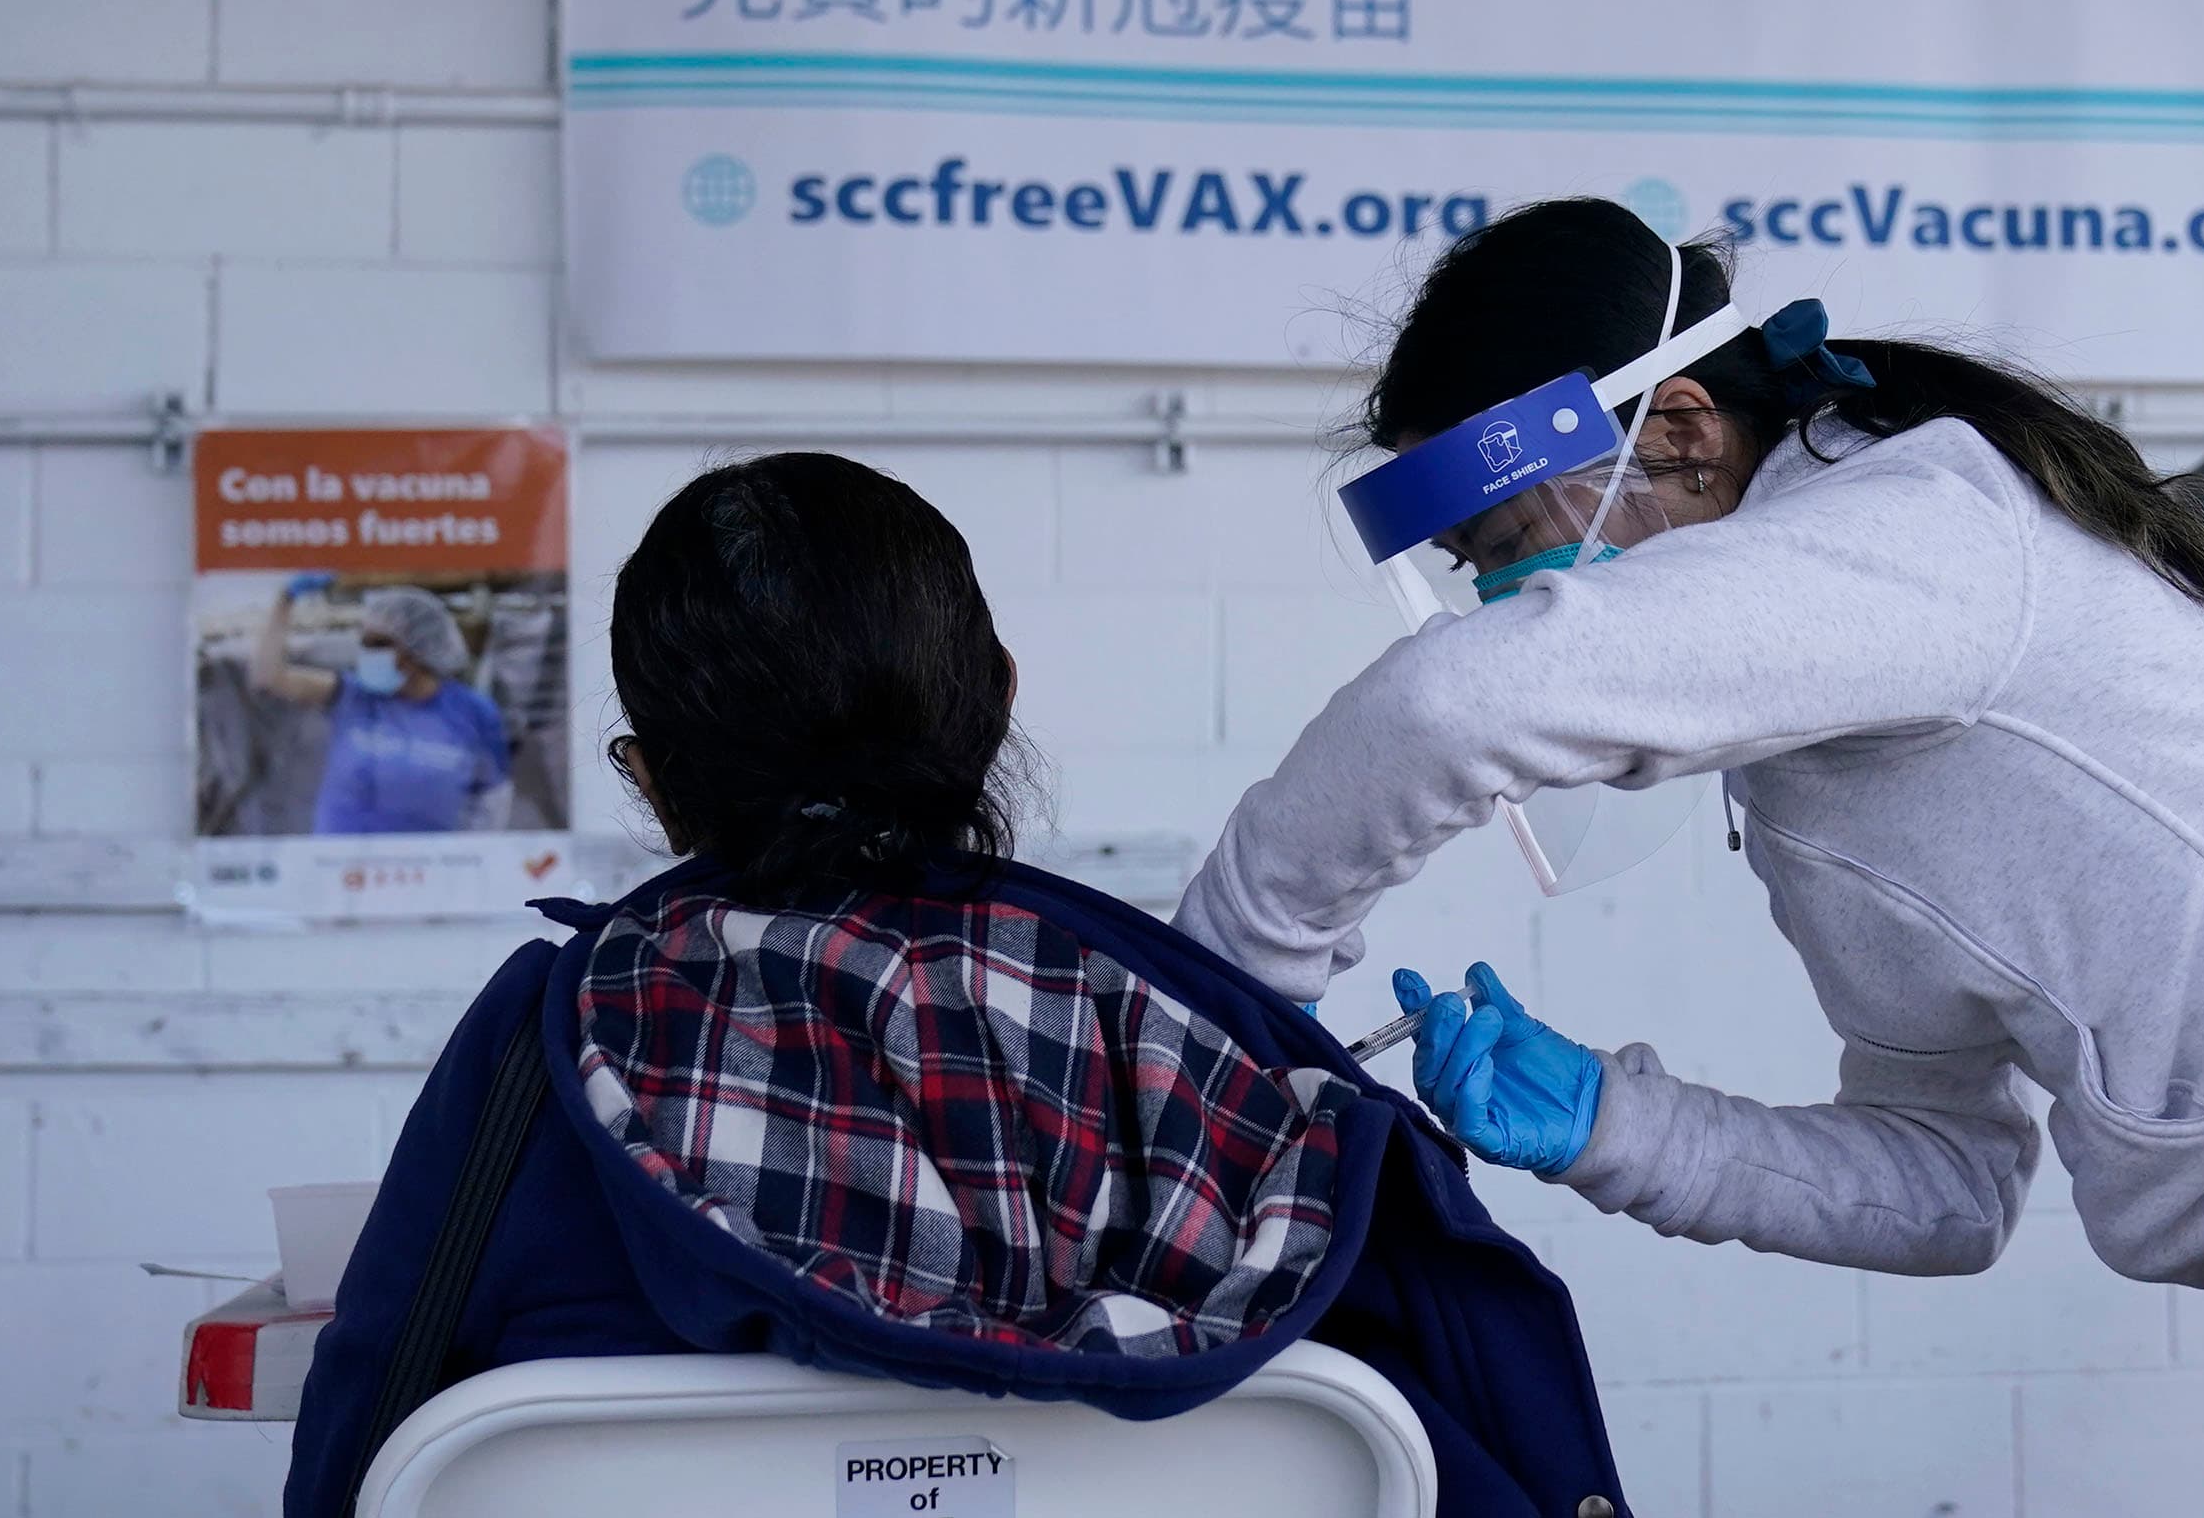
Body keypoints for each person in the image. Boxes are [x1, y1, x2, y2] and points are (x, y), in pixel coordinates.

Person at [1178, 198, 2204, 1515]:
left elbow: (1458, 703)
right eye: (1475, 570)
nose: (1509, 602)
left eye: (1520, 552)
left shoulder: (1912, 530)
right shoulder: (1827, 780)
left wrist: (1217, 998)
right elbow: (1947, 1184)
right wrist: (1616, 1121)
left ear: (1677, 430)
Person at [284, 455, 1629, 1518]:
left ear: (647, 773)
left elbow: (363, 1446)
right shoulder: (1230, 1070)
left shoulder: (534, 1049)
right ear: (998, 699)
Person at [251, 580, 511, 834]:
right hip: (339, 864)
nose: (366, 653)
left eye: (378, 644)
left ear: (416, 650)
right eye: (364, 642)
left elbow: (492, 801)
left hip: (428, 866)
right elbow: (269, 677)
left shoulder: (473, 712)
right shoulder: (353, 696)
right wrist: (285, 599)